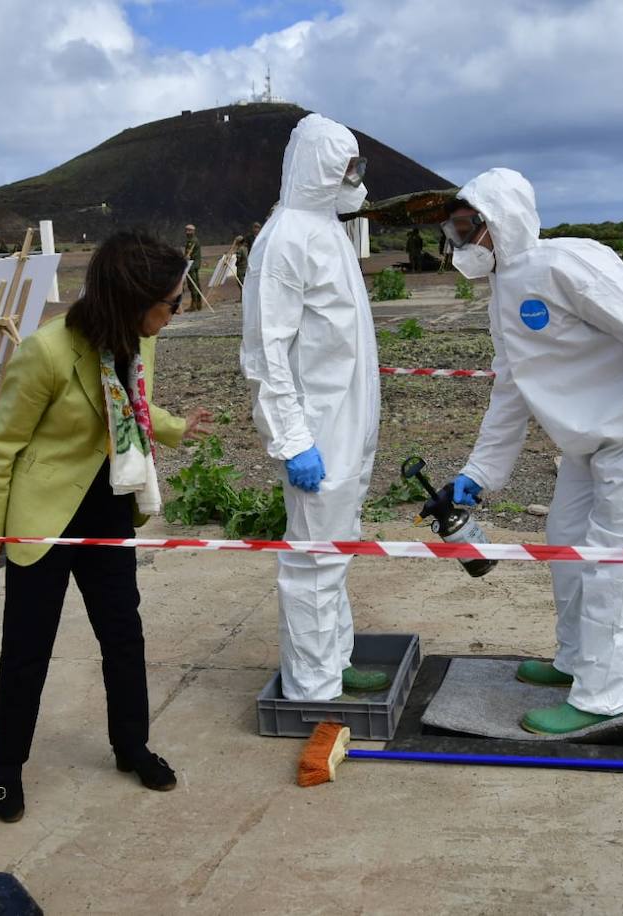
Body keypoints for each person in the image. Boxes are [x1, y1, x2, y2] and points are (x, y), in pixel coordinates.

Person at [0, 230, 213, 822]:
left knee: (123, 636)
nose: (175, 314)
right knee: (28, 649)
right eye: (172, 303)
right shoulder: (46, 352)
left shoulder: (137, 339)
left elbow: (130, 403)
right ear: (134, 298)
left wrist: (178, 427)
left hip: (107, 503)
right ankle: (6, 771)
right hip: (42, 514)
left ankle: (131, 747)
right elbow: (3, 446)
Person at [442, 168, 623, 738]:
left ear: (498, 222)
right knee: (566, 546)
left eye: (467, 227)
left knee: (616, 569)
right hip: (586, 446)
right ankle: (577, 662)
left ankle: (604, 700)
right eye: (454, 228)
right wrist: (479, 472)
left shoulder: (566, 265)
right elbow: (513, 385)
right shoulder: (504, 285)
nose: (459, 241)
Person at [240, 113, 385, 702]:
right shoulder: (283, 241)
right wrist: (292, 438)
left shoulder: (326, 230)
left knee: (336, 551)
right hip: (318, 432)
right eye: (346, 167)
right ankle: (312, 686)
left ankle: (335, 658)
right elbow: (264, 351)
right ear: (320, 167)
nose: (355, 179)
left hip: (348, 423)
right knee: (313, 563)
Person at [183, 223, 204, 311]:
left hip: (192, 265)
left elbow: (189, 254)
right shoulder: (192, 240)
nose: (187, 232)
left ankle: (194, 304)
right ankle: (199, 304)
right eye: (186, 230)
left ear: (193, 231)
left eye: (189, 230)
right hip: (194, 264)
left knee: (193, 284)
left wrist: (185, 258)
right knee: (196, 284)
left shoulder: (192, 241)